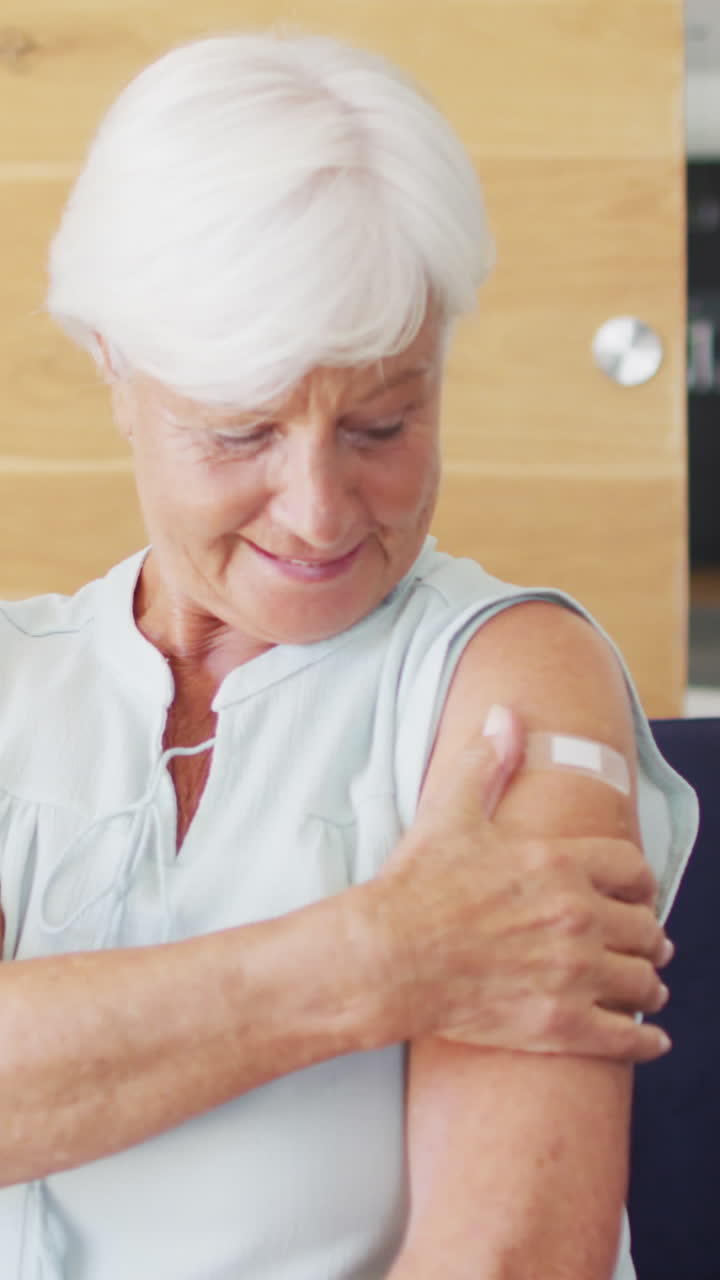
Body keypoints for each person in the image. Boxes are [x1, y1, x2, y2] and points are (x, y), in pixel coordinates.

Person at [0, 30, 695, 1280]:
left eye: (384, 420)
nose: (320, 510)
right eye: (240, 430)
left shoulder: (517, 681)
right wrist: (383, 957)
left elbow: (514, 1255)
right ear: (115, 370)